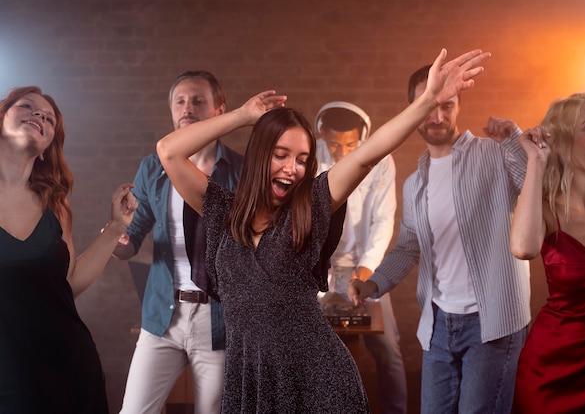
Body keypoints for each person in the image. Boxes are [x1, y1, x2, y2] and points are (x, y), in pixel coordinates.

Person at [156, 48, 489, 413]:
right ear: (258, 155)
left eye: (302, 160)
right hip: (250, 379)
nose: (292, 169)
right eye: (281, 154)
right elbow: (169, 151)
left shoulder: (308, 207)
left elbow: (366, 155)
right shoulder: (224, 210)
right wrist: (241, 115)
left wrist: (427, 103)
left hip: (316, 379)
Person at [349, 63, 531, 413]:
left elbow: (540, 188)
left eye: (446, 104)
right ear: (413, 112)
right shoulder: (416, 183)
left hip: (491, 325)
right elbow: (407, 247)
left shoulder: (494, 154)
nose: (437, 115)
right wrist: (372, 285)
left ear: (458, 106)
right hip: (438, 326)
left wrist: (514, 138)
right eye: (428, 105)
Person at [0, 86, 136, 413]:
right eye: (28, 107)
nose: (39, 116)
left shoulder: (55, 206)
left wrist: (116, 226)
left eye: (48, 118)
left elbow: (69, 283)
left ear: (48, 147)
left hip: (68, 363)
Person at [115, 71, 243, 414]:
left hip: (220, 322)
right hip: (162, 316)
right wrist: (115, 236)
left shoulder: (242, 172)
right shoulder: (153, 167)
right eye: (180, 101)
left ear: (220, 110)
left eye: (199, 100)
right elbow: (132, 237)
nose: (188, 108)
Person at [510, 92, 585, 413]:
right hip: (553, 372)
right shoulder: (546, 208)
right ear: (560, 140)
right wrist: (536, 160)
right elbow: (523, 247)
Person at [315, 101, 407, 414]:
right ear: (322, 134)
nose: (343, 152)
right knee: (317, 348)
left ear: (363, 137)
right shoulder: (310, 157)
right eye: (335, 144)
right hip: (319, 269)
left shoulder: (381, 160)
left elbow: (384, 220)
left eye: (351, 144)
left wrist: (365, 273)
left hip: (364, 267)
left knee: (387, 348)